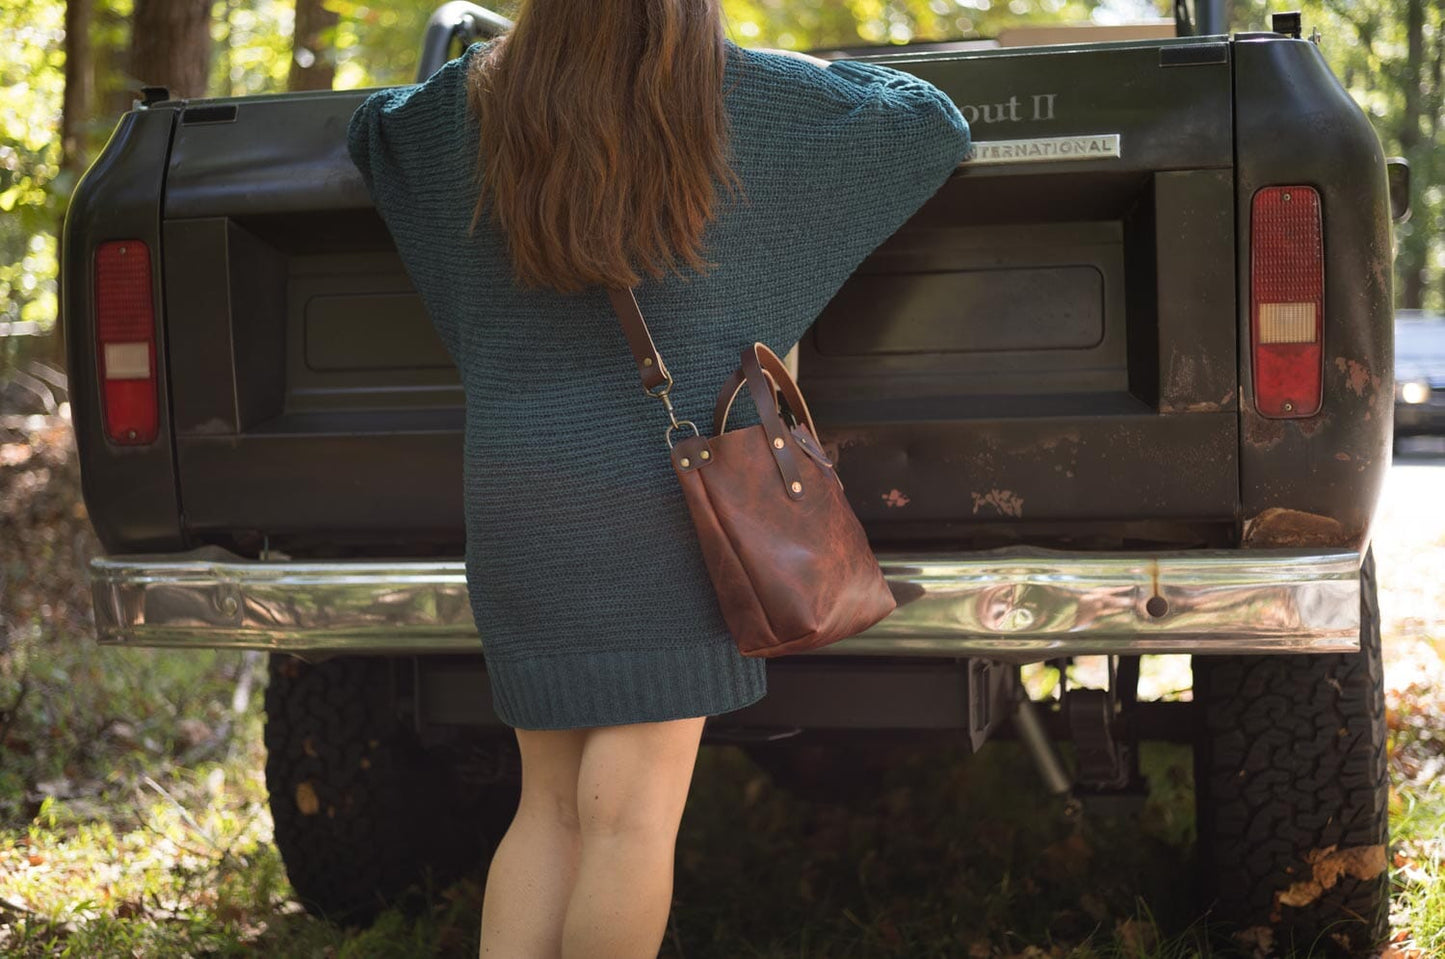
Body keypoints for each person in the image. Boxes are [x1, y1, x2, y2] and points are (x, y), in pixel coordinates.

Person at [345, 1, 970, 954]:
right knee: (630, 818)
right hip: (663, 500)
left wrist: (500, 61)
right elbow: (925, 118)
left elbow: (373, 125)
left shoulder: (464, 108)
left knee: (548, 807)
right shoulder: (738, 95)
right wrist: (775, 61)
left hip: (515, 491)